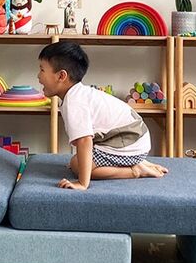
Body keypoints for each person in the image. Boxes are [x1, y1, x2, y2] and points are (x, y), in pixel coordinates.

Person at [37, 41, 167, 191]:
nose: (38, 76)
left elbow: (84, 141)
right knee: (76, 162)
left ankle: (135, 170)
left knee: (77, 166)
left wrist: (82, 183)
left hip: (129, 141)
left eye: (42, 70)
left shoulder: (75, 101)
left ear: (61, 76)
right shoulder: (78, 94)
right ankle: (137, 162)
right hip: (132, 139)